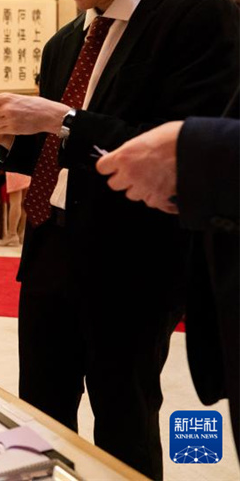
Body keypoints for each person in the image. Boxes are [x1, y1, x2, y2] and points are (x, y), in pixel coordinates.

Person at [0, 0, 239, 476]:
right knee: (38, 412)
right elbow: (60, 150)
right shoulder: (66, 42)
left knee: (124, 422)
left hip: (132, 262)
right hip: (49, 248)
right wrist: (8, 138)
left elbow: (177, 146)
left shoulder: (197, 14)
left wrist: (61, 118)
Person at [96, 93, 240, 458]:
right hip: (65, 255)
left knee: (129, 417)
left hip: (143, 260)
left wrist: (195, 148)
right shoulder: (61, 49)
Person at [0, 172, 30, 247]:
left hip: (15, 169)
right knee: (23, 203)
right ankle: (21, 233)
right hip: (27, 170)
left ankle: (12, 234)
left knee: (15, 202)